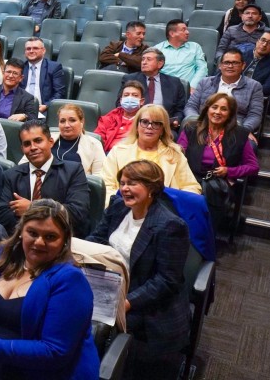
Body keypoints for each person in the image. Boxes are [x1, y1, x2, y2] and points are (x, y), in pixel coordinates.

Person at [0, 199, 99, 380]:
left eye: (50, 237)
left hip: (37, 371)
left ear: (64, 241)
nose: (39, 242)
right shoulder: (5, 255)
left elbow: (55, 352)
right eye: (32, 233)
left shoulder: (70, 280)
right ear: (21, 231)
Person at [87, 160, 191, 379]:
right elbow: (97, 238)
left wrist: (127, 302)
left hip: (149, 305)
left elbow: (166, 281)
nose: (124, 188)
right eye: (122, 182)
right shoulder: (117, 206)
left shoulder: (170, 225)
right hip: (113, 287)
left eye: (132, 183)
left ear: (152, 187)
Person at [178, 93, 259, 232]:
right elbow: (178, 155)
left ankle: (204, 240)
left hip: (217, 183)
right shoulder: (191, 128)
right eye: (214, 107)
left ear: (230, 113)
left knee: (206, 199)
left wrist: (230, 171)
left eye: (223, 109)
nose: (217, 112)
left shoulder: (240, 134)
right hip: (189, 178)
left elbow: (253, 166)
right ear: (207, 109)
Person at [0, 120, 91, 236]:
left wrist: (32, 207)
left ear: (50, 142)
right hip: (20, 239)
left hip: (62, 239)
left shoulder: (73, 171)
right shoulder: (11, 175)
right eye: (27, 144)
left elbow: (76, 213)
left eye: (38, 141)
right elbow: (2, 215)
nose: (33, 147)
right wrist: (30, 234)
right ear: (22, 149)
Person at [101, 104, 201, 203]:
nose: (149, 127)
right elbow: (106, 185)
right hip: (124, 207)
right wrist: (124, 204)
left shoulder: (175, 154)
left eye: (156, 123)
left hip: (164, 211)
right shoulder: (118, 151)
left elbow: (191, 187)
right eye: (144, 122)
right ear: (136, 126)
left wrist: (173, 205)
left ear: (163, 129)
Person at [185, 48, 264, 138]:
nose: (230, 66)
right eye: (226, 62)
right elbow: (190, 106)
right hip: (203, 126)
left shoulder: (254, 86)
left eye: (235, 63)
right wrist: (198, 123)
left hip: (235, 129)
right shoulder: (205, 82)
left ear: (243, 66)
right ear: (220, 65)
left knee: (251, 145)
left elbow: (255, 115)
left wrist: (244, 130)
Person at [24, 104, 105, 176]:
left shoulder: (94, 144)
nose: (66, 125)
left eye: (72, 120)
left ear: (82, 122)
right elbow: (24, 164)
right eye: (62, 121)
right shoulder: (44, 139)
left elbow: (99, 177)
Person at [121, 48, 187, 129]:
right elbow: (119, 103)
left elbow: (180, 108)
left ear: (160, 63)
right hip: (136, 124)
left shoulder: (174, 83)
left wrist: (177, 120)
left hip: (163, 126)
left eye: (149, 59)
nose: (144, 62)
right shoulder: (130, 79)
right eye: (143, 59)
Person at [154, 20, 207, 90]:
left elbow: (202, 68)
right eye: (183, 30)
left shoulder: (195, 47)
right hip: (164, 89)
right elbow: (153, 71)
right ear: (172, 33)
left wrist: (193, 87)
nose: (187, 32)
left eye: (187, 29)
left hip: (189, 89)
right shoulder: (157, 49)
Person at [95, 80, 146, 153]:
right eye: (126, 95)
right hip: (108, 154)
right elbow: (97, 140)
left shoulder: (147, 120)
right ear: (121, 100)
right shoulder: (109, 118)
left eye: (135, 95)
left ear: (142, 101)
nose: (130, 98)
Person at [20, 37, 65, 116]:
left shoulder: (54, 67)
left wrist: (47, 105)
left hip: (43, 109)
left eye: (35, 48)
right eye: (28, 49)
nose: (31, 51)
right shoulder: (20, 67)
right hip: (21, 108)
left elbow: (60, 92)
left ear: (43, 50)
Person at [247, 31, 270, 96]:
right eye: (263, 40)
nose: (264, 44)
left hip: (253, 97)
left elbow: (267, 89)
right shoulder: (241, 55)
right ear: (257, 41)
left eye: (269, 43)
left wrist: (245, 91)